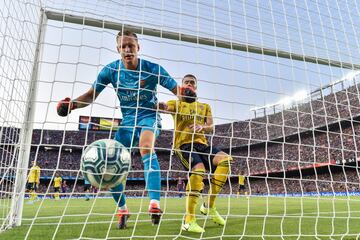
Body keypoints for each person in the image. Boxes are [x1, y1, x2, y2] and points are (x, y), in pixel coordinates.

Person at [56, 30, 178, 229]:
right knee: (108, 162)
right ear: (118, 49)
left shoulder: (152, 69)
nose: (128, 49)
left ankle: (154, 204)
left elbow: (177, 91)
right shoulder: (111, 71)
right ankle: (122, 209)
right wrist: (73, 105)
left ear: (138, 47)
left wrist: (184, 96)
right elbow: (91, 94)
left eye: (131, 45)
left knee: (146, 147)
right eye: (123, 46)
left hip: (149, 116)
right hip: (128, 122)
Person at [160, 74, 232, 233]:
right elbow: (165, 107)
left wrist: (202, 127)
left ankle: (209, 206)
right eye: (186, 82)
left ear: (196, 86)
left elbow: (211, 126)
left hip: (202, 145)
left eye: (192, 82)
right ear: (182, 86)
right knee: (198, 170)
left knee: (226, 160)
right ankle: (188, 220)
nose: (189, 84)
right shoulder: (177, 103)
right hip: (184, 146)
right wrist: (160, 106)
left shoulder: (204, 106)